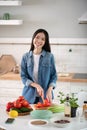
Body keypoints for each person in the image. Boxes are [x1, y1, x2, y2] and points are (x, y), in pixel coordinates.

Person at [20, 28, 57, 104]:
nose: (39, 41)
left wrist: (50, 89)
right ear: (33, 38)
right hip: (28, 97)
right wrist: (37, 86)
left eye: (42, 39)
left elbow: (54, 76)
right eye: (37, 37)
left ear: (45, 42)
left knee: (44, 115)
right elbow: (23, 77)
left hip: (45, 97)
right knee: (28, 116)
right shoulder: (25, 57)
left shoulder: (49, 57)